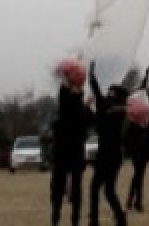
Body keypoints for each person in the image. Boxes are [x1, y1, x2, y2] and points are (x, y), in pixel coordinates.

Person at [88, 62, 128, 226]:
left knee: (102, 190)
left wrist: (92, 73)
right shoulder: (112, 107)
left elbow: (97, 91)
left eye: (111, 91)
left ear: (116, 95)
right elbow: (97, 91)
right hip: (110, 153)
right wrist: (92, 75)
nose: (108, 92)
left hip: (109, 154)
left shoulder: (113, 107)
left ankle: (108, 219)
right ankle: (114, 219)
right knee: (104, 190)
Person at [50, 68, 91, 226]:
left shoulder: (78, 106)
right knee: (58, 188)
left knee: (74, 189)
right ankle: (56, 218)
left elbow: (88, 121)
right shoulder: (66, 101)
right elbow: (66, 95)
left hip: (73, 152)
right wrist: (69, 78)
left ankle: (72, 220)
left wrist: (87, 107)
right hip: (64, 152)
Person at [125, 68, 149, 213]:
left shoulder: (139, 119)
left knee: (138, 174)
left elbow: (143, 86)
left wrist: (147, 74)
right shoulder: (136, 121)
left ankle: (133, 200)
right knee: (139, 174)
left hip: (142, 148)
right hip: (138, 148)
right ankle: (136, 201)